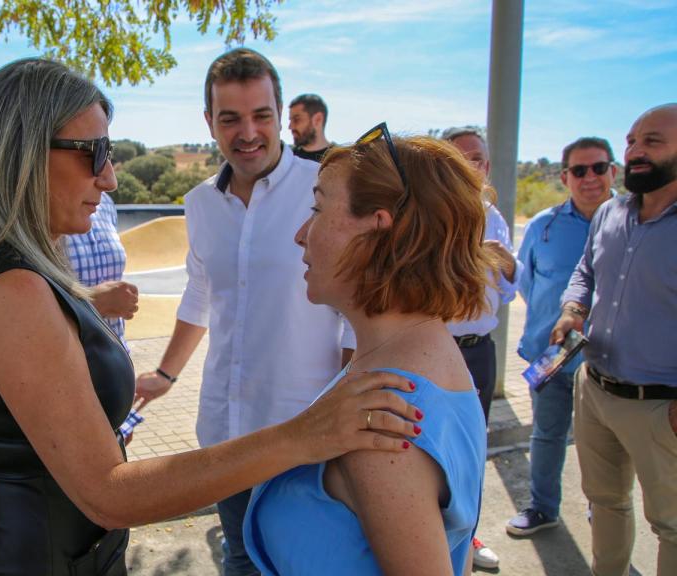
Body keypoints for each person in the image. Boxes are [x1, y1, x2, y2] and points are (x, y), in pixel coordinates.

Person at [0, 58, 421, 576]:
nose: (111, 177)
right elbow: (109, 495)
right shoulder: (14, 289)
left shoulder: (11, 274)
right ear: (23, 153)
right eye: (94, 152)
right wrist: (305, 433)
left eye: (110, 153)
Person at [133, 49, 356, 576]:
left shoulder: (325, 191)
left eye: (261, 115)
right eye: (230, 118)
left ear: (282, 116)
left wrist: (348, 410)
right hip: (227, 434)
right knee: (241, 561)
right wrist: (166, 374)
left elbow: (354, 310)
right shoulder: (200, 204)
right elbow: (201, 293)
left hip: (307, 437)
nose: (248, 132)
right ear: (209, 122)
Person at [243, 128, 493, 576]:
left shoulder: (382, 417)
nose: (301, 234)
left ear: (376, 232)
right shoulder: (430, 350)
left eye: (318, 208)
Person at [553, 103, 677, 576]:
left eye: (652, 141)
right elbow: (585, 273)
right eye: (631, 141)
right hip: (595, 388)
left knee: (671, 526)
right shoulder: (611, 211)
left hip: (661, 408)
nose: (635, 151)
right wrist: (572, 310)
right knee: (605, 503)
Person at [507, 137, 616, 538]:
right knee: (547, 435)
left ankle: (604, 510)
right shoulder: (543, 226)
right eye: (580, 170)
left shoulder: (633, 224)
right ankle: (542, 508)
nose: (590, 178)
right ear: (565, 177)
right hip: (551, 355)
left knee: (605, 447)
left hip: (610, 364)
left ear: (613, 172)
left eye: (599, 168)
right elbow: (526, 283)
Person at [440, 126, 519, 570]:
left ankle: (466, 539)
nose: (474, 167)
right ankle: (428, 538)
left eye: (479, 159)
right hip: (436, 350)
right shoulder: (424, 213)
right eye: (462, 158)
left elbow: (507, 293)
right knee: (434, 451)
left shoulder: (494, 216)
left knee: (473, 450)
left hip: (479, 352)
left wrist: (507, 263)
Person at [64, 192, 138, 341]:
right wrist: (96, 303)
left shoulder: (105, 202)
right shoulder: (34, 204)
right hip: (67, 360)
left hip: (115, 355)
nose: (112, 183)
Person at [289, 93, 332, 162]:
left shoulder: (341, 159)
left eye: (296, 119)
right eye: (290, 120)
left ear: (318, 119)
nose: (290, 127)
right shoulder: (287, 157)